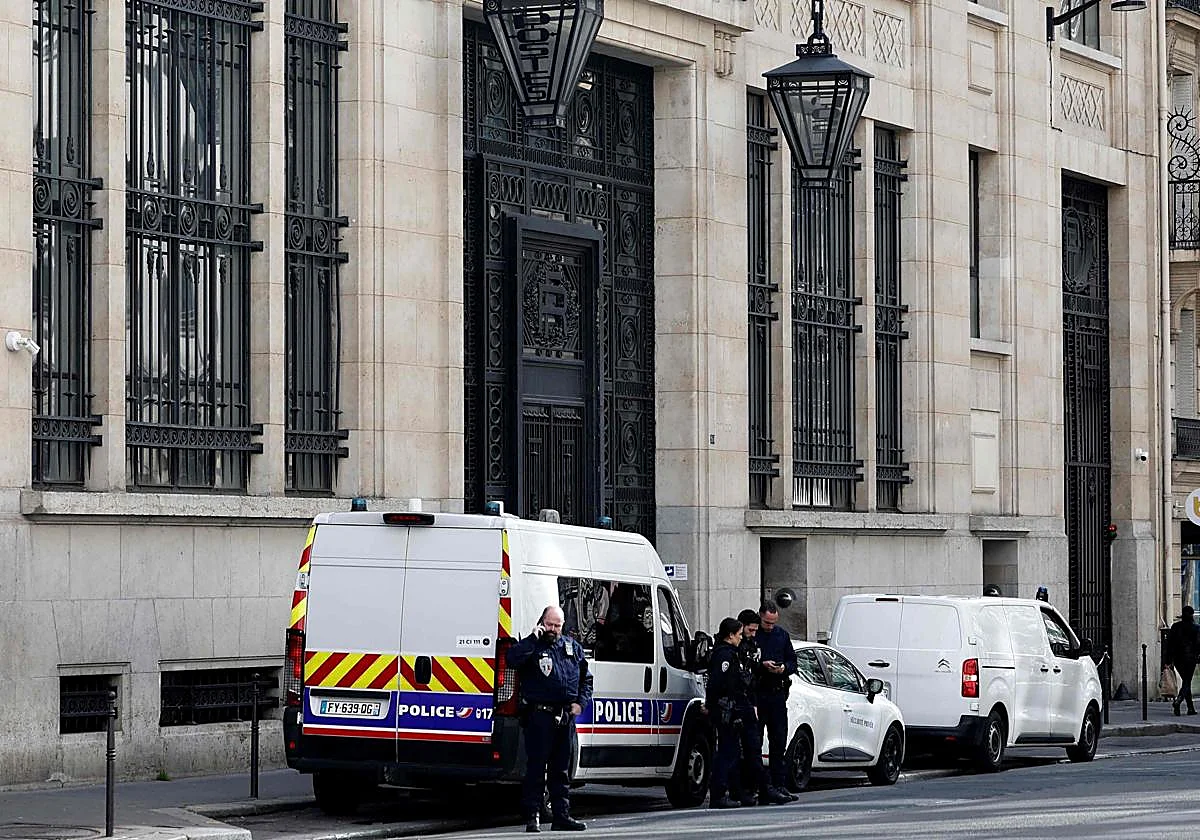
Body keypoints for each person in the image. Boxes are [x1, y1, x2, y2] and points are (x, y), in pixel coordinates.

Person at [508, 605, 594, 832]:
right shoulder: (532, 646)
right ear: (541, 623)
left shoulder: (571, 647)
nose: (553, 629)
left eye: (557, 625)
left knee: (561, 770)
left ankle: (561, 816)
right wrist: (531, 639)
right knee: (536, 769)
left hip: (564, 717)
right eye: (550, 624)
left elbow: (586, 679)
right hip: (539, 716)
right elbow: (512, 659)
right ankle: (532, 816)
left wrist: (580, 703)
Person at [755, 601, 799, 804]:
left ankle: (779, 785)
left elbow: (793, 662)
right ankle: (759, 786)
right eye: (766, 622)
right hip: (758, 693)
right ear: (760, 616)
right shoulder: (753, 633)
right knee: (754, 742)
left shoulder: (781, 635)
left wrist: (783, 669)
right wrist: (762, 665)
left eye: (773, 623)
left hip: (777, 694)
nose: (769, 626)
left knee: (779, 741)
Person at [1166, 605, 1200, 716]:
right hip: (1191, 658)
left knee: (1186, 681)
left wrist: (1168, 660)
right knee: (1187, 682)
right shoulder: (1196, 628)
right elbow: (1198, 644)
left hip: (1177, 658)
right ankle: (1179, 701)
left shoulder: (1175, 627)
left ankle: (1190, 708)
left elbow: (1169, 644)